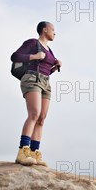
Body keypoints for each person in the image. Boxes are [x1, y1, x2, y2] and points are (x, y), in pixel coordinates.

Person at [10, 21, 61, 166]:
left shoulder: (49, 50)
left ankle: (34, 153)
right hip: (32, 78)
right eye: (53, 30)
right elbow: (15, 56)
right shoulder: (32, 43)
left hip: (46, 82)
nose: (55, 33)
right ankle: (22, 152)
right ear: (45, 30)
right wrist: (34, 56)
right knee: (34, 113)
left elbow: (45, 68)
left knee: (41, 118)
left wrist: (55, 67)